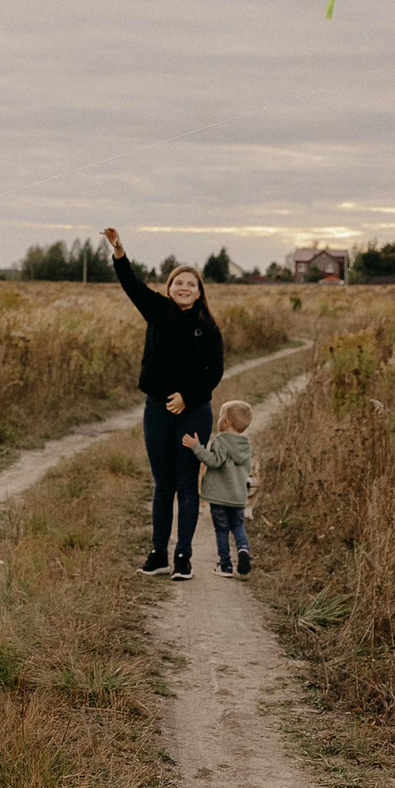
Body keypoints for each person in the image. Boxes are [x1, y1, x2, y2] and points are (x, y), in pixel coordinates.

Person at [101, 226, 223, 580]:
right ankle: (159, 554)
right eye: (178, 283)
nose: (184, 288)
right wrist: (119, 252)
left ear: (199, 292)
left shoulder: (209, 328)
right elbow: (131, 285)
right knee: (162, 483)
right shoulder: (157, 311)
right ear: (169, 288)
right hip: (156, 410)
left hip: (194, 412)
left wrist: (187, 398)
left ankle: (183, 556)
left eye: (191, 284)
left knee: (187, 483)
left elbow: (214, 373)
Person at [185, 400, 255, 575]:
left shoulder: (221, 440)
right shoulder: (246, 445)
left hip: (220, 496)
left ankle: (226, 565)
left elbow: (213, 461)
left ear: (226, 422)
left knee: (222, 530)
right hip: (238, 496)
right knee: (238, 525)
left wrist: (196, 448)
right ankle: (243, 550)